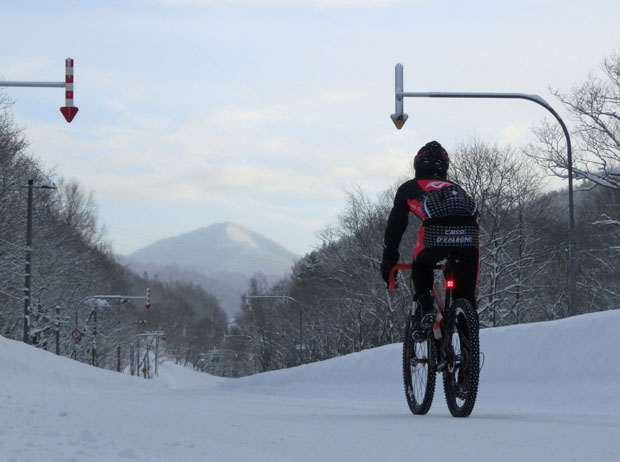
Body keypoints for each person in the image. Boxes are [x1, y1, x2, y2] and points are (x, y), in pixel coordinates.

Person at [380, 141, 480, 340]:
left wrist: (389, 259)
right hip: (469, 234)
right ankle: (468, 350)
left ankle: (426, 305)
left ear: (417, 165)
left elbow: (396, 226)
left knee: (421, 264)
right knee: (465, 296)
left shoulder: (409, 187)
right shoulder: (454, 187)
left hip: (435, 232)